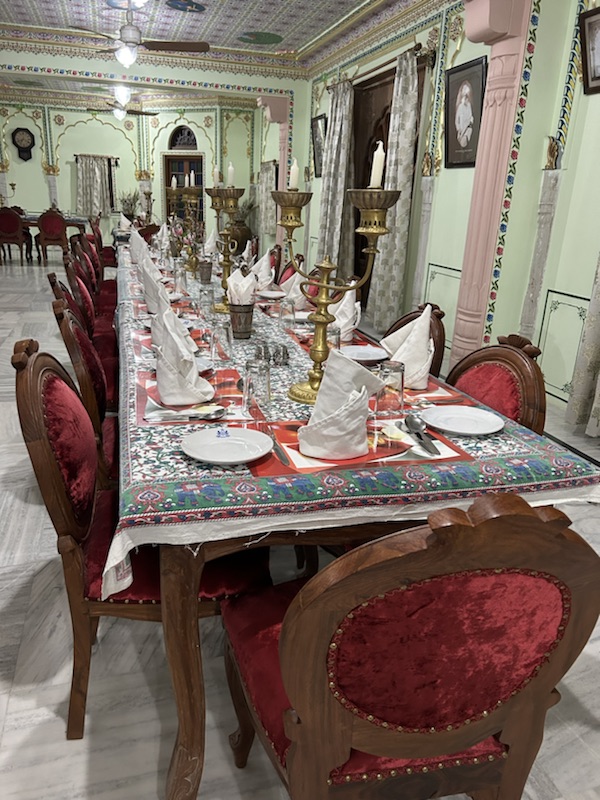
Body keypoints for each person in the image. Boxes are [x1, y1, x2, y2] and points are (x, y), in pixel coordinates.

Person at [455, 80, 474, 149]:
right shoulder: (460, 106)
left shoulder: (469, 105)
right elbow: (457, 120)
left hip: (467, 129)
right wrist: (459, 130)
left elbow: (471, 117)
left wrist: (470, 123)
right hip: (461, 130)